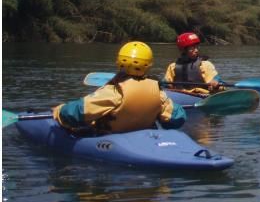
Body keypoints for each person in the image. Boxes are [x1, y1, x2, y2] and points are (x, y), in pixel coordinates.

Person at [53, 41, 186, 133]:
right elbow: (177, 118)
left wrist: (59, 111)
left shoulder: (113, 92)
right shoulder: (158, 92)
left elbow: (76, 112)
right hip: (144, 137)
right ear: (148, 65)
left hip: (111, 137)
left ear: (119, 62)